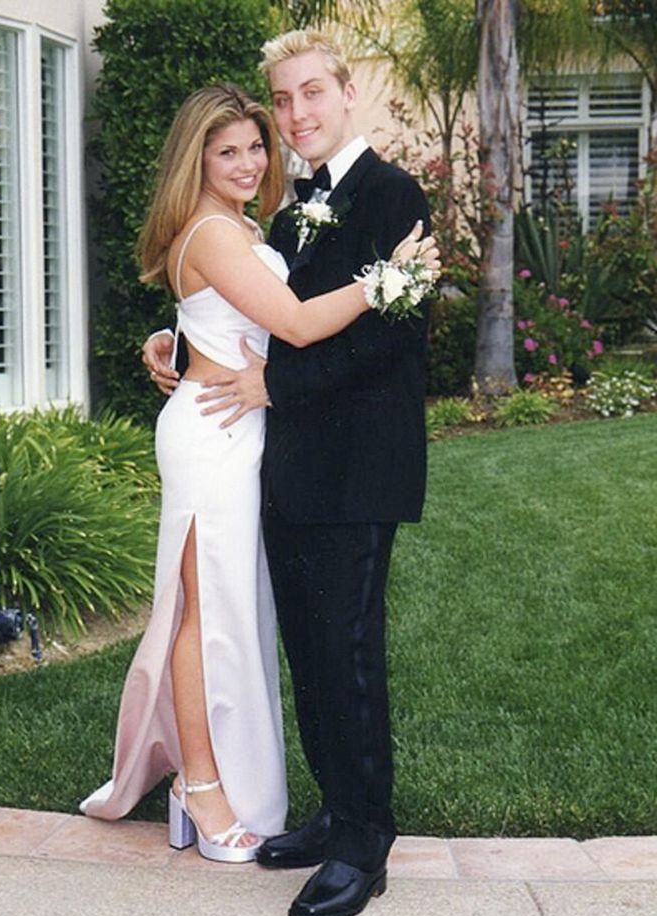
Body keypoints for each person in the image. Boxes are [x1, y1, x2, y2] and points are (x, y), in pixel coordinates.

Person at [81, 83, 432, 866]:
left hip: (250, 433)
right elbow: (296, 323)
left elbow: (225, 312)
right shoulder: (215, 230)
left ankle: (234, 782)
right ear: (196, 160)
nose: (247, 163)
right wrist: (389, 277)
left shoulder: (247, 224)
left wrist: (174, 337)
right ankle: (200, 785)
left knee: (236, 613)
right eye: (226, 152)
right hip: (214, 434)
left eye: (254, 147)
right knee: (201, 614)